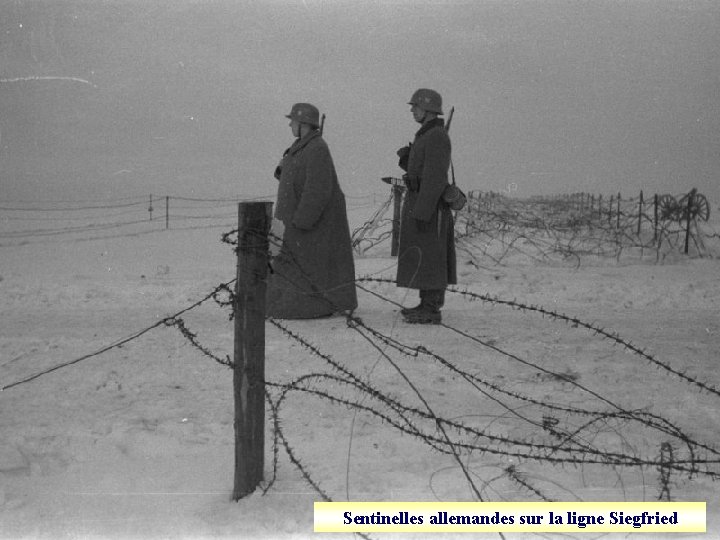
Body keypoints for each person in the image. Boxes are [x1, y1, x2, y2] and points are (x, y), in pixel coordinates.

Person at [266, 102, 358, 319]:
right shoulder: (301, 148)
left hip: (305, 227)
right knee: (294, 268)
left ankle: (308, 306)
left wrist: (302, 221)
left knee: (308, 269)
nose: (290, 125)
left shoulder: (317, 148)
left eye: (293, 121)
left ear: (304, 123)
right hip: (293, 226)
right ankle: (295, 304)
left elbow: (318, 189)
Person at [395, 89, 457, 324]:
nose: (412, 110)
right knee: (426, 255)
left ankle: (431, 309)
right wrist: (409, 161)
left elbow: (434, 178)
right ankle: (425, 303)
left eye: (416, 106)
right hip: (421, 202)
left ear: (428, 109)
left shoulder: (437, 136)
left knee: (432, 256)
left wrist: (423, 210)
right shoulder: (427, 135)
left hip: (429, 206)